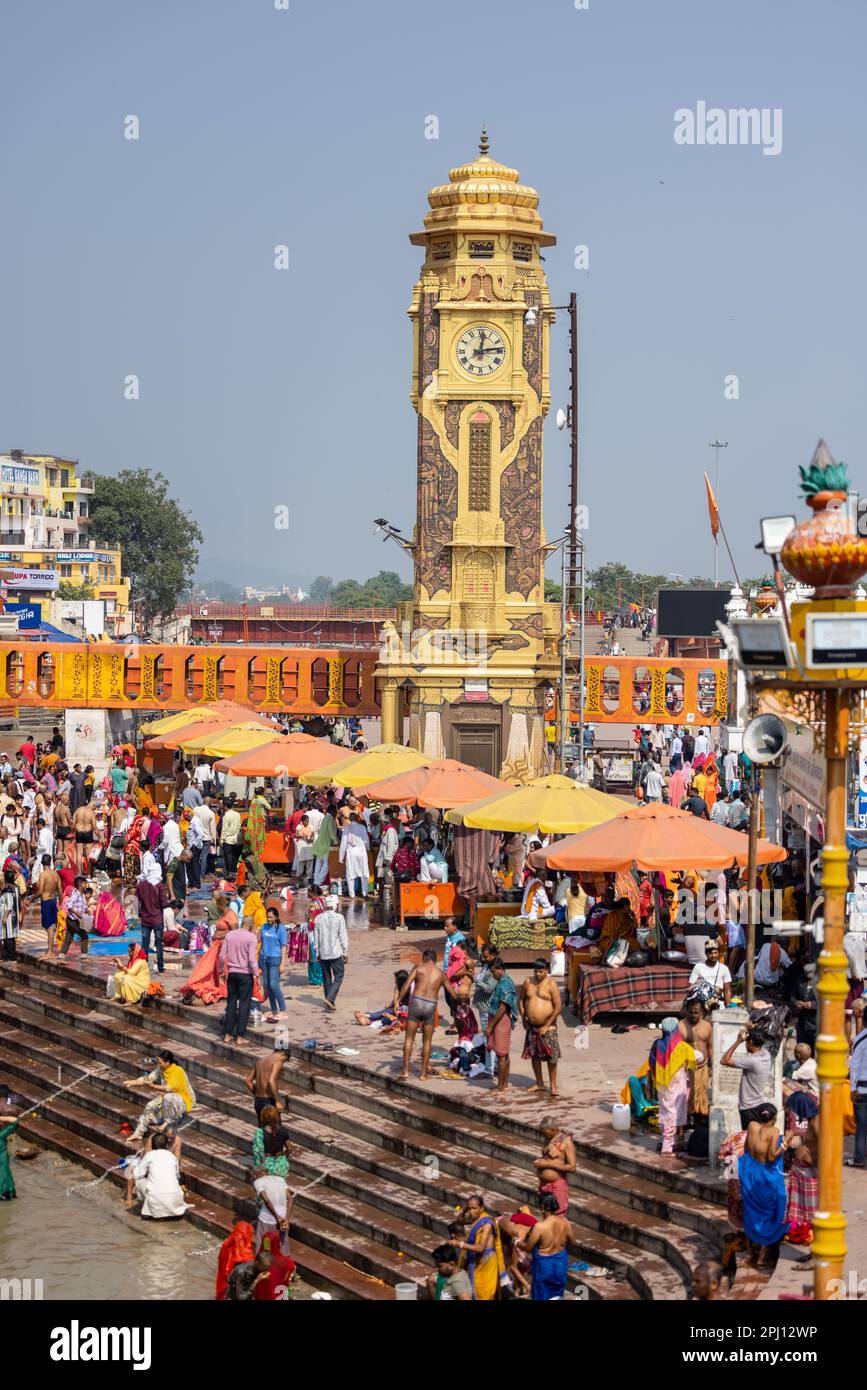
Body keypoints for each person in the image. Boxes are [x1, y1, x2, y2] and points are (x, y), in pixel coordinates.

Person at [739, 1103, 789, 1269]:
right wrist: (785, 1142)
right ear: (773, 1119)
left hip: (749, 1171)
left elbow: (746, 1149)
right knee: (769, 1212)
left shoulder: (751, 1126)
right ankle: (762, 1255)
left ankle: (749, 1253)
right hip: (764, 1176)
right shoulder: (773, 1132)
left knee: (750, 1211)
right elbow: (772, 1157)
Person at [123, 1048, 196, 1142]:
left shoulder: (177, 1071)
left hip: (184, 1100)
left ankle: (167, 1123)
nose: (158, 1064)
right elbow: (149, 1078)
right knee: (150, 1105)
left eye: (160, 1062)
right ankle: (138, 1133)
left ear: (167, 1062)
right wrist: (131, 1082)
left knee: (168, 1097)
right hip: (167, 1100)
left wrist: (152, 1086)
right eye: (158, 1062)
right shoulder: (161, 1069)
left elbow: (168, 1088)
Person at [650, 1016, 696, 1155]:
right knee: (673, 1113)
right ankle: (667, 1148)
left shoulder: (657, 1045)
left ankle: (673, 1141)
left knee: (666, 1112)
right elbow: (696, 1058)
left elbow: (652, 1062)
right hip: (677, 1086)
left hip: (663, 1085)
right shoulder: (682, 1047)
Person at [397, 948, 445, 1081]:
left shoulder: (418, 968)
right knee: (427, 1041)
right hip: (430, 1005)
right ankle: (423, 1074)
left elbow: (406, 984)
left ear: (424, 959)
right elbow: (452, 993)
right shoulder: (441, 974)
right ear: (435, 960)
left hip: (416, 1002)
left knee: (409, 1038)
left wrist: (397, 1001)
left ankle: (405, 1071)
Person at [519, 958, 563, 1098]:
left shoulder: (551, 984)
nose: (538, 974)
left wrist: (547, 1024)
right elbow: (521, 1000)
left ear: (546, 970)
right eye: (536, 971)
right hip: (531, 1026)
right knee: (534, 1055)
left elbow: (557, 1007)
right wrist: (523, 1018)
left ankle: (553, 1084)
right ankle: (539, 1083)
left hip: (548, 1027)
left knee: (551, 1057)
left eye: (541, 971)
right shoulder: (528, 982)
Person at [125, 1130, 189, 1218]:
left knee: (136, 1174)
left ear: (152, 1145)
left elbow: (137, 1174)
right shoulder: (172, 1157)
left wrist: (133, 1168)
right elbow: (177, 1175)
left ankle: (143, 1207)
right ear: (166, 1145)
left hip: (156, 1199)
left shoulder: (150, 1155)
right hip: (174, 1201)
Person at [219, 915, 261, 1044]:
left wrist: (222, 971)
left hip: (232, 973)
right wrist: (256, 975)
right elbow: (252, 960)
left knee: (231, 1003)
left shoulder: (230, 935)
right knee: (244, 1004)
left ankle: (228, 1034)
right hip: (245, 975)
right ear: (250, 925)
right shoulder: (251, 938)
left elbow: (221, 956)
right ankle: (240, 1036)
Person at [456, 1194, 506, 1301]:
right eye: (469, 1209)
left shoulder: (486, 1223)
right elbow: (459, 1221)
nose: (471, 1212)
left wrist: (460, 1244)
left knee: (485, 1294)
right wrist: (465, 1209)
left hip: (486, 1264)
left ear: (482, 1208)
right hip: (476, 1264)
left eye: (474, 1208)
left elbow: (480, 1248)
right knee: (475, 1292)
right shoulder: (475, 1219)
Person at [721, 1025, 772, 1128]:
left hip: (748, 1108)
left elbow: (724, 1060)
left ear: (751, 1042)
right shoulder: (766, 1054)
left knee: (749, 1139)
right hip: (759, 1104)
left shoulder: (752, 1061)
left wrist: (738, 1041)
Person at [526, 1191, 573, 1300]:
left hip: (544, 1265)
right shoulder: (565, 1222)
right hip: (560, 1264)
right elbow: (573, 1241)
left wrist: (516, 1242)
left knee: (541, 1295)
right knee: (557, 1295)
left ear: (542, 1206)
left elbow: (528, 1247)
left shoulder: (539, 1227)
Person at [486, 957, 518, 1090]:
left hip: (501, 1021)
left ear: (501, 969)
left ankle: (501, 1086)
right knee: (504, 1054)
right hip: (499, 1020)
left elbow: (502, 1008)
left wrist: (491, 1026)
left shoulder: (506, 984)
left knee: (501, 1055)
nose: (493, 975)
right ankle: (503, 1083)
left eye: (494, 972)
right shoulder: (503, 981)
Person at [312, 894, 348, 1011]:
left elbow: (315, 938)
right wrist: (345, 952)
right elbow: (343, 937)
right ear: (335, 905)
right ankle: (330, 997)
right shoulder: (339, 918)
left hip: (323, 953)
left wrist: (317, 952)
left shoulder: (318, 918)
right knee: (339, 976)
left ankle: (329, 1002)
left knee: (327, 978)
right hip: (336, 952)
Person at [534, 1118, 577, 1214]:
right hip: (544, 1185)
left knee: (557, 1214)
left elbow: (572, 1167)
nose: (543, 1135)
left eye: (545, 1133)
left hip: (557, 1186)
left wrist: (547, 1164)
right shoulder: (549, 1139)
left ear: (553, 1129)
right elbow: (550, 1158)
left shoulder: (567, 1142)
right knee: (545, 1214)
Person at [679, 997, 713, 1120]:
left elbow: (710, 1047)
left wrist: (712, 1066)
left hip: (702, 1068)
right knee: (684, 1097)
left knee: (701, 1097)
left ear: (702, 1011)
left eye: (696, 1012)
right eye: (691, 1012)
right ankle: (683, 1123)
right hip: (685, 1067)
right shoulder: (681, 1026)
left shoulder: (707, 1026)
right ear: (686, 1011)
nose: (694, 1015)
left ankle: (699, 1123)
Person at [135, 871, 170, 975]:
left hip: (145, 919)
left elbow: (136, 901)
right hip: (157, 919)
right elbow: (164, 903)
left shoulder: (141, 885)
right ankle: (160, 968)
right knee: (159, 944)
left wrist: (140, 913)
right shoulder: (159, 886)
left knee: (144, 945)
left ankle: (144, 968)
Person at [253, 1169, 293, 1255]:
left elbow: (267, 1201)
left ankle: (262, 1264)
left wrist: (277, 1217)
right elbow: (290, 1199)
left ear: (255, 1175)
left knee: (264, 1243)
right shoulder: (280, 1179)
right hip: (284, 1215)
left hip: (268, 1218)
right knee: (282, 1242)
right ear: (267, 1173)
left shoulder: (258, 1182)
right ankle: (284, 1264)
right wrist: (286, 1219)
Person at [259, 906, 288, 1022]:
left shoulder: (280, 928)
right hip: (264, 959)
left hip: (275, 959)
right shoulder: (264, 927)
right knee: (267, 985)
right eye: (267, 916)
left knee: (273, 984)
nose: (269, 919)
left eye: (271, 917)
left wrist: (283, 963)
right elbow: (259, 942)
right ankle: (274, 1009)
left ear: (276, 917)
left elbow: (284, 946)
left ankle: (283, 1009)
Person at [848, 1005, 867, 1168]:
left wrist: (852, 1089)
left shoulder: (860, 1039)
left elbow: (854, 1065)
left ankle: (859, 1158)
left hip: (862, 1089)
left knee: (861, 1127)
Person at [688, 941, 732, 1007]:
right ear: (706, 954)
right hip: (702, 1004)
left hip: (719, 1003)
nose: (713, 955)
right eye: (710, 953)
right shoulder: (698, 967)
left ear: (718, 953)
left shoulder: (724, 968)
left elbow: (727, 990)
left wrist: (728, 1008)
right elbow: (691, 987)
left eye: (715, 953)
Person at [252, 1104, 291, 1177]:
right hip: (281, 1166)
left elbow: (257, 1152)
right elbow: (289, 1149)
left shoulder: (260, 1132)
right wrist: (282, 1158)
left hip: (267, 1165)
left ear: (263, 1117)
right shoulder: (283, 1129)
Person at [36, 854, 61, 959]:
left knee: (49, 928)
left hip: (46, 902)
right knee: (52, 927)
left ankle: (50, 952)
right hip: (53, 901)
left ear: (42, 863)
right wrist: (62, 903)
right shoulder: (56, 874)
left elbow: (40, 891)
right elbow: (60, 890)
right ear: (50, 862)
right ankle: (50, 951)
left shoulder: (43, 874)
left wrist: (31, 899)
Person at [339, 812, 370, 898]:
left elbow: (343, 843)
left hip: (351, 852)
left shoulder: (347, 828)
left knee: (350, 874)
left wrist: (341, 857)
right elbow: (366, 840)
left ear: (349, 819)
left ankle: (352, 894)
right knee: (364, 873)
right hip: (361, 852)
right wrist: (368, 849)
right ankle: (364, 893)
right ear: (356, 818)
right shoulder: (362, 827)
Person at [60, 874, 90, 955]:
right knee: (84, 936)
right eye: (84, 884)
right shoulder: (76, 894)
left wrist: (87, 910)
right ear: (80, 885)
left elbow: (83, 906)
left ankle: (62, 955)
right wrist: (77, 914)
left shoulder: (82, 895)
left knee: (68, 937)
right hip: (73, 920)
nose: (86, 885)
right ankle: (84, 955)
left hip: (72, 919)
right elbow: (69, 905)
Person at [0, 867, 19, 961]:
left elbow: (9, 906)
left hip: (8, 918)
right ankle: (8, 956)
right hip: (11, 917)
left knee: (8, 938)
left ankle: (11, 957)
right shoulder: (13, 888)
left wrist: (4, 917)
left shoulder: (8, 891)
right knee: (8, 937)